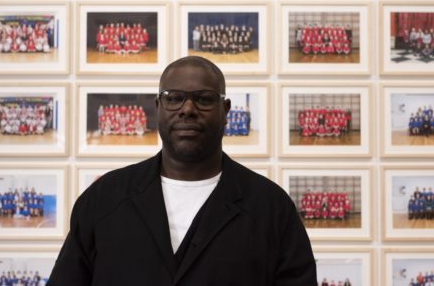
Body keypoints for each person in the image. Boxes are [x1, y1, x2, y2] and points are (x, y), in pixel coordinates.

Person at [48, 56, 316, 285]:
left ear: (225, 111)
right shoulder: (103, 199)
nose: (188, 109)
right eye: (174, 98)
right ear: (157, 108)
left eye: (204, 99)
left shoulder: (271, 207)